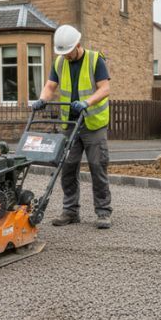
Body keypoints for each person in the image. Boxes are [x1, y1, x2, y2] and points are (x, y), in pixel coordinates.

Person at [33, 24, 112, 229]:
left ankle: (103, 212)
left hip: (93, 124)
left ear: (78, 44)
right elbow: (50, 86)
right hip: (69, 124)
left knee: (97, 166)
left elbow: (105, 88)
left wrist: (87, 102)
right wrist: (42, 99)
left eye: (68, 52)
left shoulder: (96, 60)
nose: (66, 57)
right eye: (63, 53)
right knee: (67, 167)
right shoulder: (59, 62)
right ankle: (70, 211)